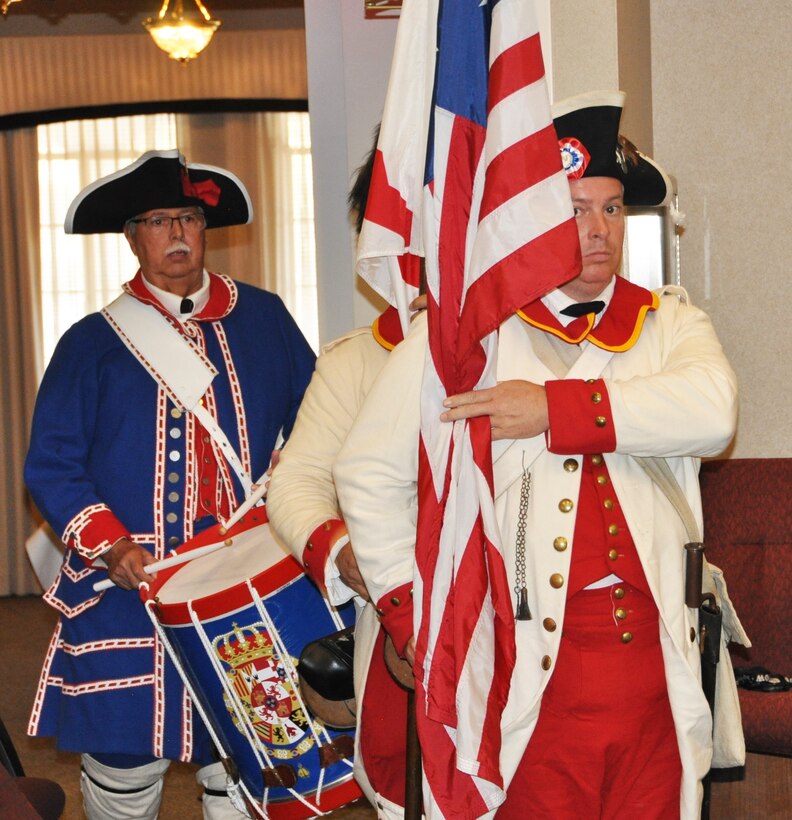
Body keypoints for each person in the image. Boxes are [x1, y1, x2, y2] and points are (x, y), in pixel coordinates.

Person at [333, 90, 745, 819]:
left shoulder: (669, 323)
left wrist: (550, 410)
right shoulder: (461, 338)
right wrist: (410, 612)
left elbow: (713, 413)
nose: (598, 232)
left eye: (612, 209)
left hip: (656, 669)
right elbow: (367, 472)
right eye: (575, 210)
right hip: (524, 677)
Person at [24, 149, 316, 819]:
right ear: (133, 238)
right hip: (130, 585)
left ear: (206, 229)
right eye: (158, 221)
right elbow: (54, 462)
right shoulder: (90, 343)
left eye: (187, 217)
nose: (177, 233)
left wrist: (281, 505)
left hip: (243, 583)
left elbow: (316, 428)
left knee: (241, 762)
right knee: (123, 768)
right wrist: (113, 547)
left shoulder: (266, 320)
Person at [266, 130, 419, 820]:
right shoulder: (354, 361)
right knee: (405, 791)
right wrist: (342, 553)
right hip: (398, 622)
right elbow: (296, 483)